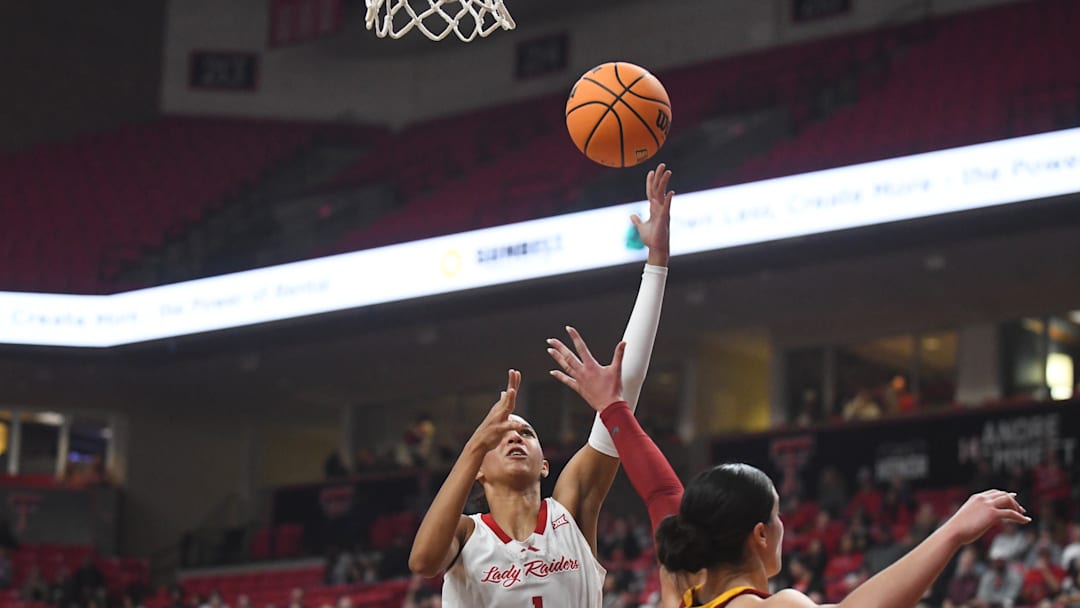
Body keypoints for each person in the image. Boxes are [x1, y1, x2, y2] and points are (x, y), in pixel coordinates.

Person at [546, 324, 1032, 608]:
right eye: (777, 517)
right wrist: (952, 532)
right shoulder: (776, 605)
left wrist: (613, 409)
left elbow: (660, 494)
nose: (784, 529)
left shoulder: (682, 589)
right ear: (759, 534)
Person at [408, 163, 675, 607]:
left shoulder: (569, 510)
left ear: (545, 464)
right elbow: (422, 562)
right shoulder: (466, 532)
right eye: (500, 437)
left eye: (526, 433)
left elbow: (622, 390)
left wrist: (657, 264)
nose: (515, 437)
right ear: (476, 466)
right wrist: (475, 444)